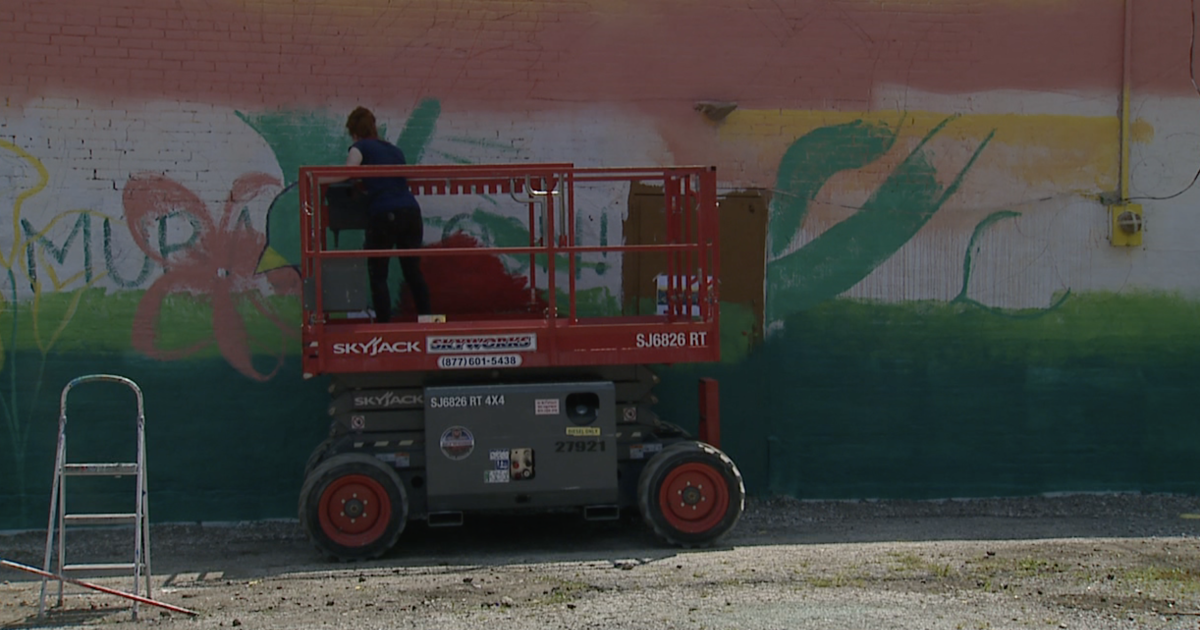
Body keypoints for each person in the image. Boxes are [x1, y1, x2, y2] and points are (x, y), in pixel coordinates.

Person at [344, 106, 432, 322]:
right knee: (412, 272)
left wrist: (320, 180)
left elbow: (348, 173)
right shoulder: (394, 150)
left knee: (378, 274)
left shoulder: (359, 147)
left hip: (384, 212)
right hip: (411, 212)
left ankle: (384, 327)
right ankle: (430, 322)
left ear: (354, 132)